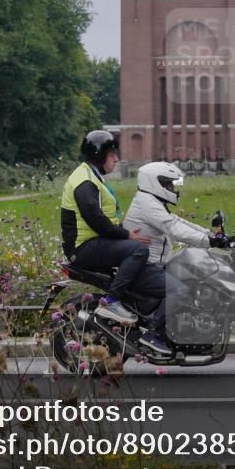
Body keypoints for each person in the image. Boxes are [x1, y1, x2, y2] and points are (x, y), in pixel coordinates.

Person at [123, 161, 231, 354]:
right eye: (169, 184)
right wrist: (208, 242)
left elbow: (177, 221)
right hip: (144, 266)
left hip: (152, 263)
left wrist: (210, 235)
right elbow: (173, 228)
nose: (173, 188)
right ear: (157, 183)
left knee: (189, 276)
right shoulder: (148, 204)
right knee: (179, 290)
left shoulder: (151, 201)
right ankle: (153, 334)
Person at [60, 130, 151, 325]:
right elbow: (96, 220)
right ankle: (111, 301)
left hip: (91, 242)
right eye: (112, 154)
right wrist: (126, 235)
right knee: (138, 251)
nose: (117, 159)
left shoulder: (90, 175)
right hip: (83, 248)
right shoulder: (85, 182)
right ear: (98, 155)